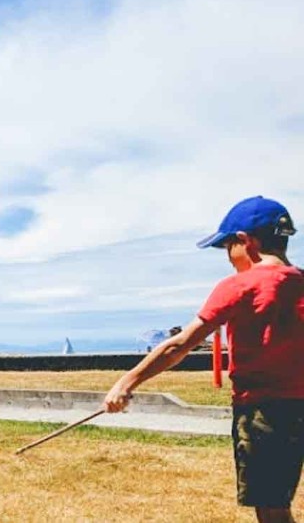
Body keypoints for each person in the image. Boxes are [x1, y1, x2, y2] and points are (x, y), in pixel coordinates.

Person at [103, 196, 302, 523]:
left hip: (264, 412)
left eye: (227, 248)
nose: (228, 258)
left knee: (272, 509)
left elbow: (178, 345)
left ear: (245, 241)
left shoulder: (239, 285)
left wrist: (126, 382)